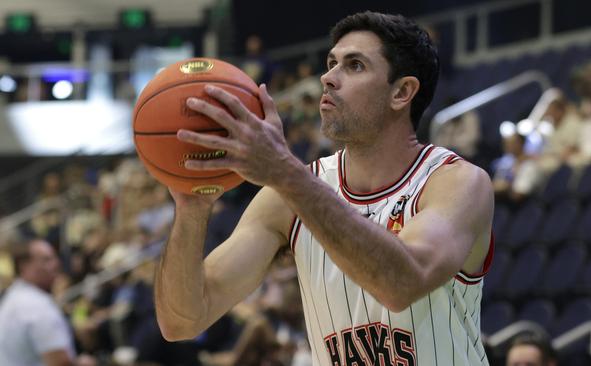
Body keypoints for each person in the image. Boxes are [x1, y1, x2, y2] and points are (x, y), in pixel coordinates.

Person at [155, 11, 494, 365]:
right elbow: (182, 320)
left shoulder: (456, 182)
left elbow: (403, 282)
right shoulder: (283, 198)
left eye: (355, 65)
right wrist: (190, 209)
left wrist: (286, 173)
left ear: (402, 92)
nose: (327, 78)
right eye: (331, 63)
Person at [0, 239, 92, 366]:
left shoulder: (12, 298)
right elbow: (60, 362)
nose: (56, 264)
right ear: (24, 266)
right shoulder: (36, 306)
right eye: (46, 260)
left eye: (54, 258)